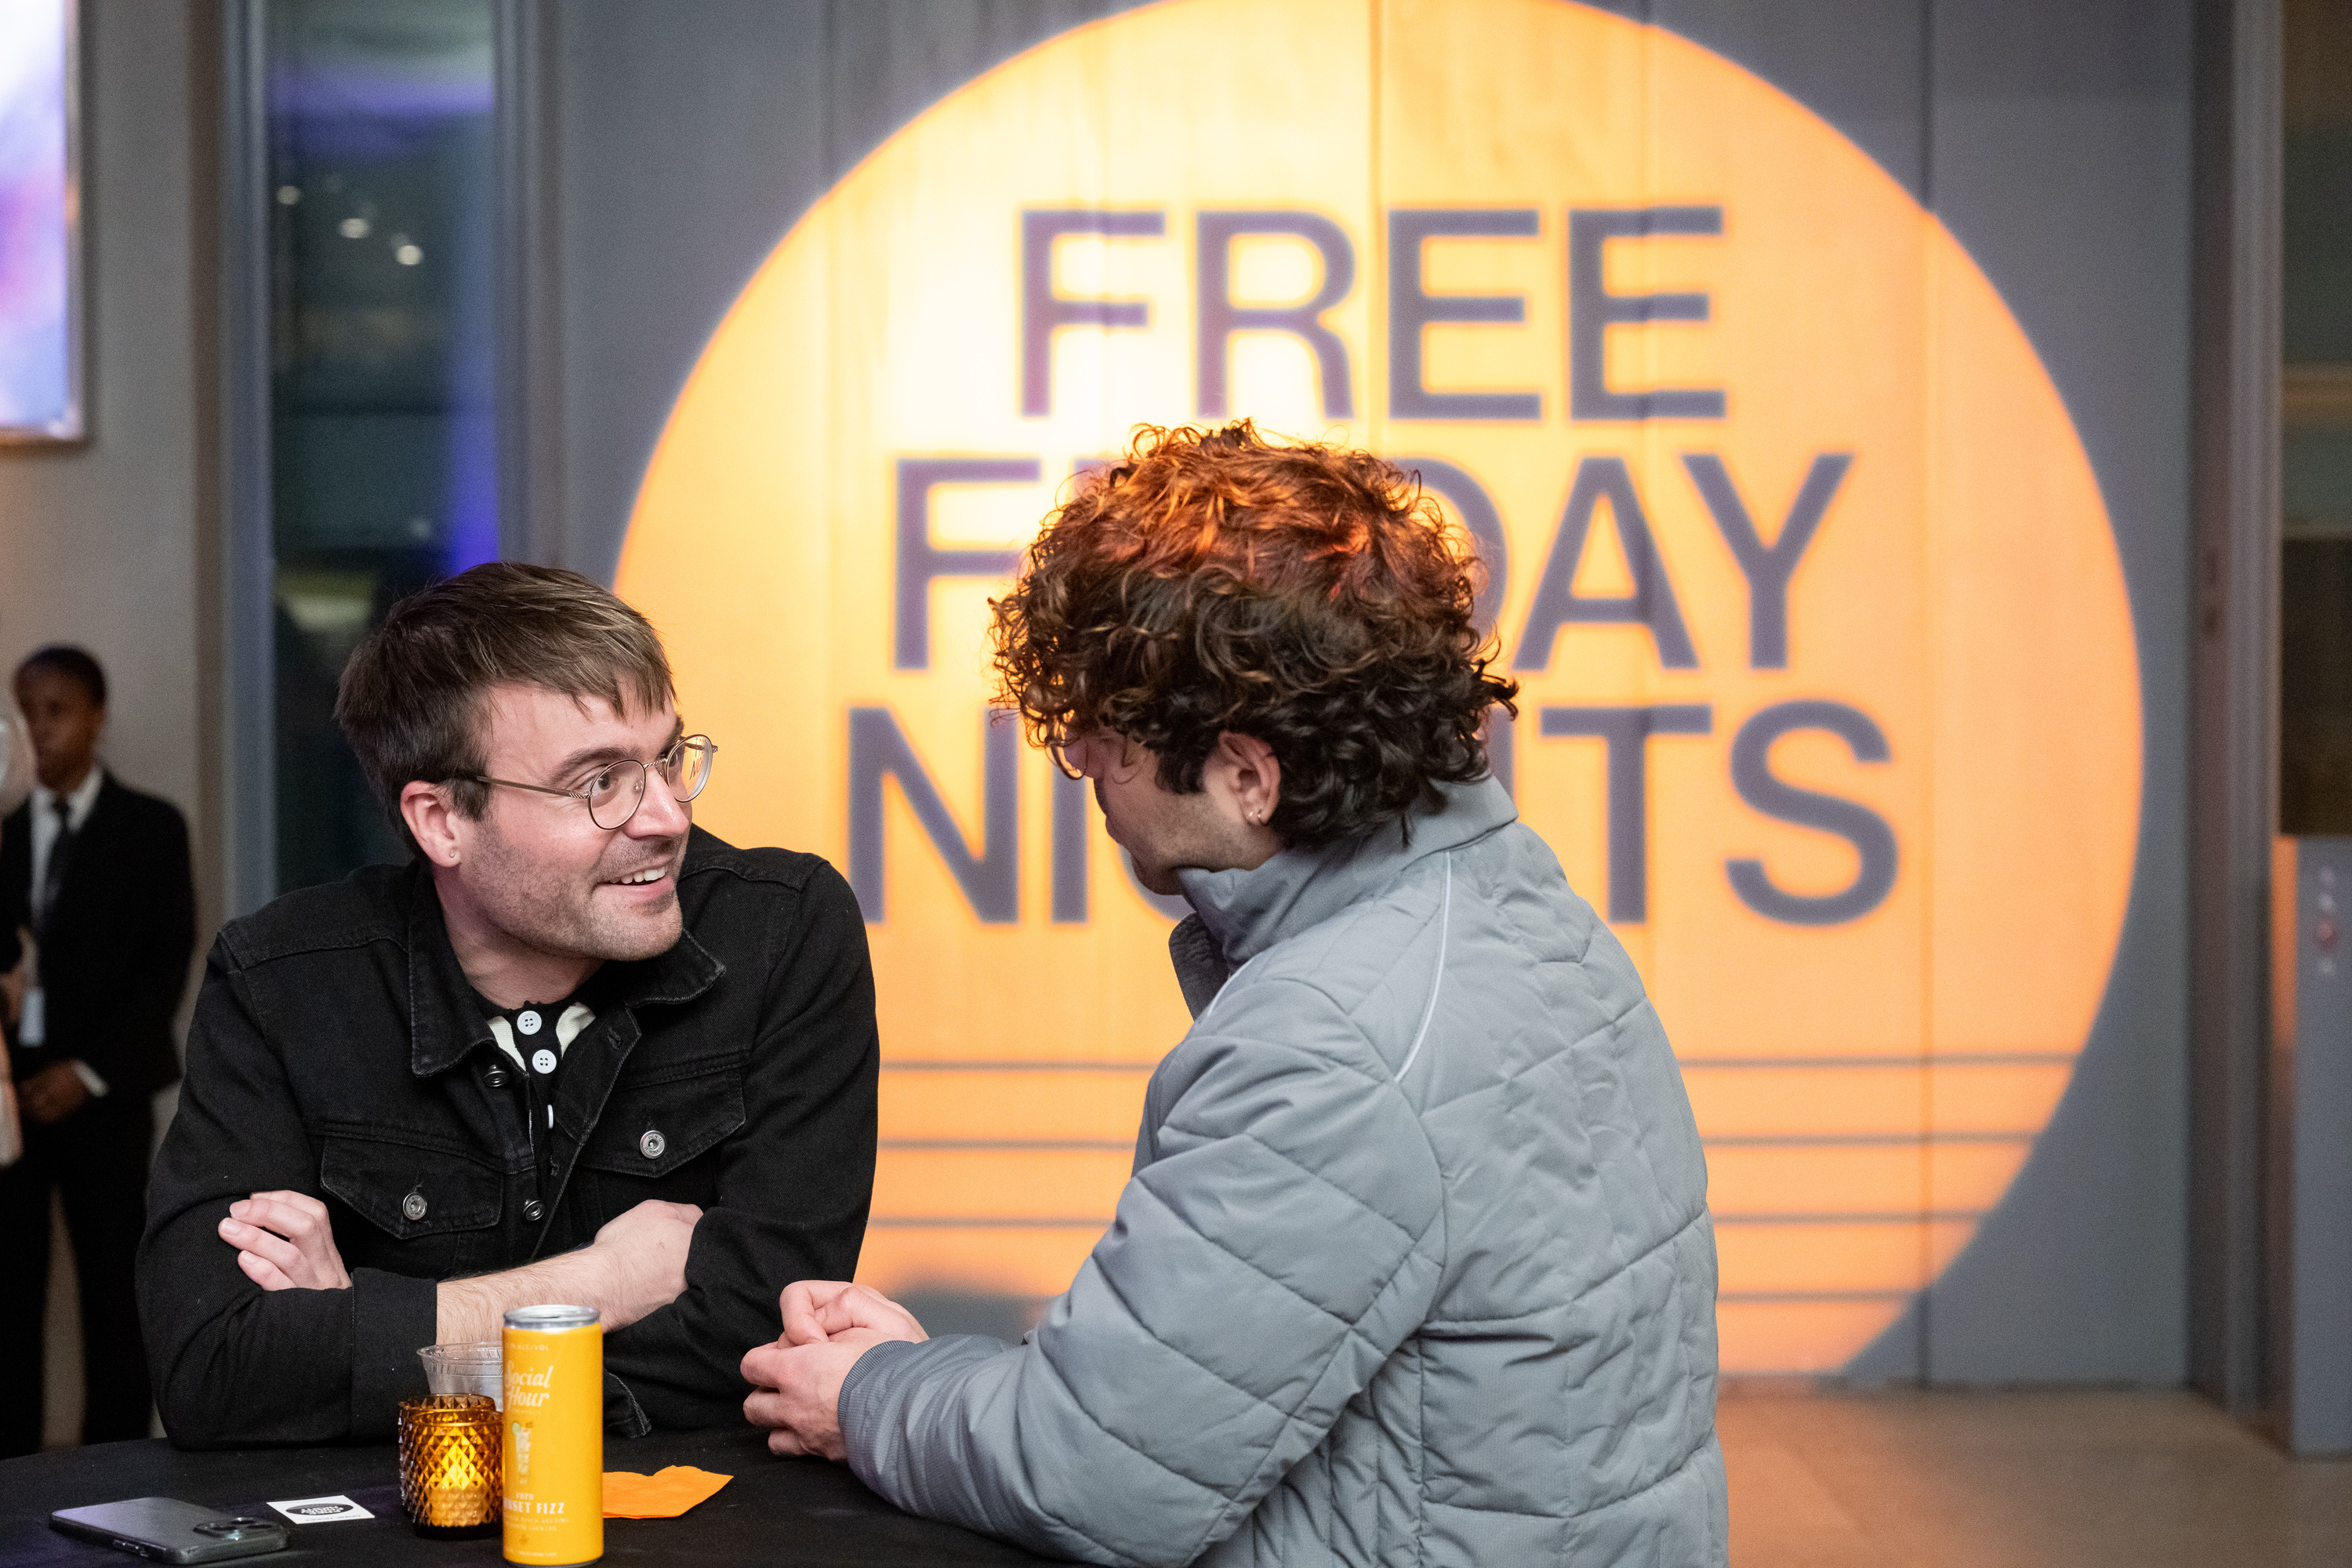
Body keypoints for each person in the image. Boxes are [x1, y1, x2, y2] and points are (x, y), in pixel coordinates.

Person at [742, 423, 1726, 1566]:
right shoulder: (1508, 899)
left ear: (1249, 776)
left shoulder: (1331, 1044)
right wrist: (925, 1372)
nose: (1084, 769)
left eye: (1100, 737)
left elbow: (1097, 1476)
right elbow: (1224, 1384)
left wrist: (865, 1396)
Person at [139, 563, 879, 1447]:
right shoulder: (284, 982)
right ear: (442, 820)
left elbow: (761, 1341)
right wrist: (607, 1282)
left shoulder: (783, 929)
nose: (667, 816)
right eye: (599, 780)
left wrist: (368, 1336)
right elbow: (213, 1371)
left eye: (667, 757)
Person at [0, 646, 198, 1455]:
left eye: (59, 710)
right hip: (10, 1098)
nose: (43, 730)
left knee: (115, 1286)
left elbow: (166, 963)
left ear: (96, 714)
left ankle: (112, 1464)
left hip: (104, 1094)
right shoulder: (5, 831)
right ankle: (11, 1466)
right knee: (10, 1292)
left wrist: (85, 1072)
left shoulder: (149, 826)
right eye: (28, 712)